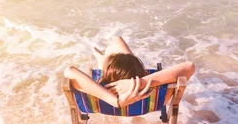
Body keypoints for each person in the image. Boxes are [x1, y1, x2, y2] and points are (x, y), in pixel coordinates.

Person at [64, 36, 195, 108]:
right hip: (145, 101)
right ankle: (104, 60)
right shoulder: (157, 96)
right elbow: (189, 66)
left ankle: (103, 61)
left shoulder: (96, 89)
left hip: (106, 99)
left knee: (117, 41)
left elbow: (70, 70)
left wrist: (116, 102)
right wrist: (140, 83)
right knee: (119, 42)